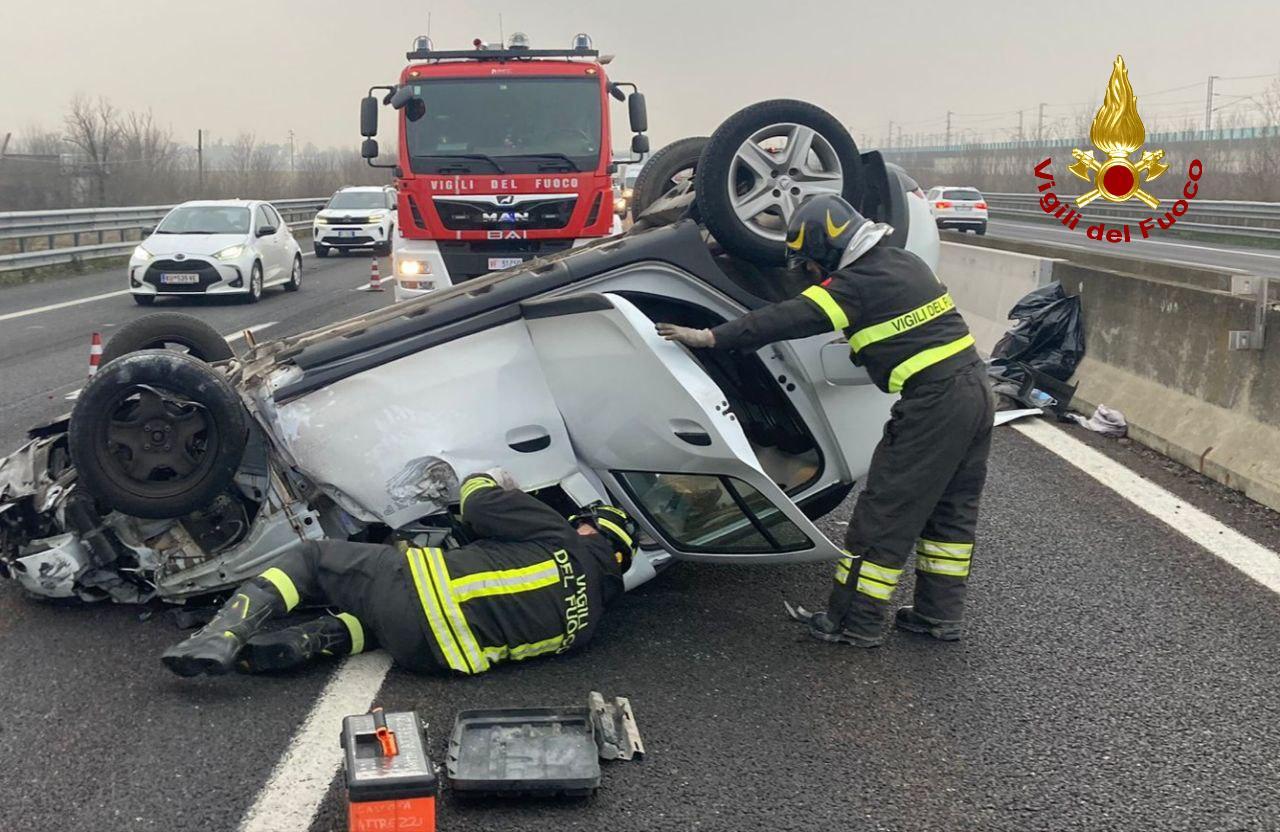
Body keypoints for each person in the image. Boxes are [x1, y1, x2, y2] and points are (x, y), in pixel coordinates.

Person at [657, 194, 993, 647]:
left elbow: (786, 318)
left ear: (827, 249)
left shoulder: (854, 285)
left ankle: (855, 621)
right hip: (974, 390)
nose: (811, 274)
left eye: (810, 263)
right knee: (951, 512)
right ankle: (939, 616)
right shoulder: (906, 264)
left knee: (884, 514)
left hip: (934, 403)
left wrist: (712, 336)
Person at [161, 471, 638, 677]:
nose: (579, 523)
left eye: (585, 520)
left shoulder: (562, 537)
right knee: (380, 621)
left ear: (594, 531)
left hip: (416, 594)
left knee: (312, 558)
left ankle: (219, 636)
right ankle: (313, 641)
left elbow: (475, 499)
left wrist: (494, 479)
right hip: (435, 657)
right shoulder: (587, 625)